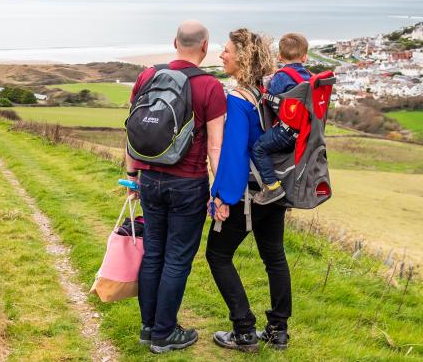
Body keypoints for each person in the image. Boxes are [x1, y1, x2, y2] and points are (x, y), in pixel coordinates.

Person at [125, 20, 226, 354]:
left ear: (174, 42)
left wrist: (133, 175)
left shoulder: (147, 76)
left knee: (154, 251)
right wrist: (219, 190)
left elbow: (133, 128)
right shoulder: (210, 86)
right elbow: (215, 146)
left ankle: (148, 327)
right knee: (178, 259)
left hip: (150, 179)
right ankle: (165, 334)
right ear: (205, 46)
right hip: (188, 182)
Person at [206, 28, 292, 352]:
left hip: (249, 196)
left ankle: (244, 331)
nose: (221, 55)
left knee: (217, 254)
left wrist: (220, 197)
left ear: (241, 57)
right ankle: (278, 331)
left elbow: (234, 154)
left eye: (226, 50)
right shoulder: (267, 95)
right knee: (275, 257)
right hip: (274, 190)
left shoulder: (240, 99)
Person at [250, 32, 312, 205]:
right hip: (306, 131)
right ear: (305, 57)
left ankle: (272, 186)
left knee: (259, 148)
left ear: (279, 56)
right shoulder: (309, 77)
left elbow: (270, 98)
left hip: (287, 132)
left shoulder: (281, 77)